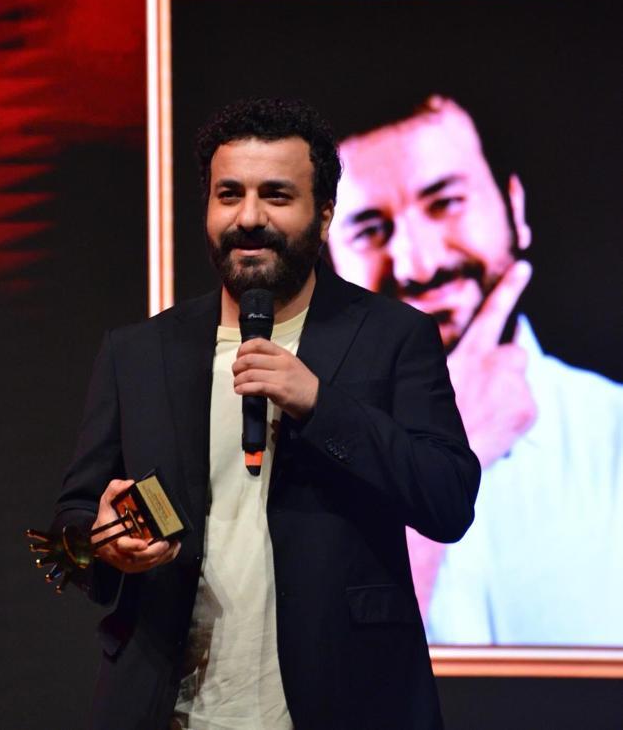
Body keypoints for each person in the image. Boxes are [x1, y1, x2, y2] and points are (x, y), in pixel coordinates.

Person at [53, 97, 480, 729]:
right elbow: (74, 519)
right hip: (168, 707)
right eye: (229, 195)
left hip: (345, 703)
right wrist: (103, 542)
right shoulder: (138, 352)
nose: (249, 217)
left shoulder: (394, 336)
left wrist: (320, 405)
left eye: (276, 195)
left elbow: (448, 500)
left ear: (324, 214)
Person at [328, 95, 623, 646]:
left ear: (514, 208)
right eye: (368, 230)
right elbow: (335, 678)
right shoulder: (294, 464)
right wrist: (455, 446)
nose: (420, 264)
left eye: (446, 203)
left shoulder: (614, 433)